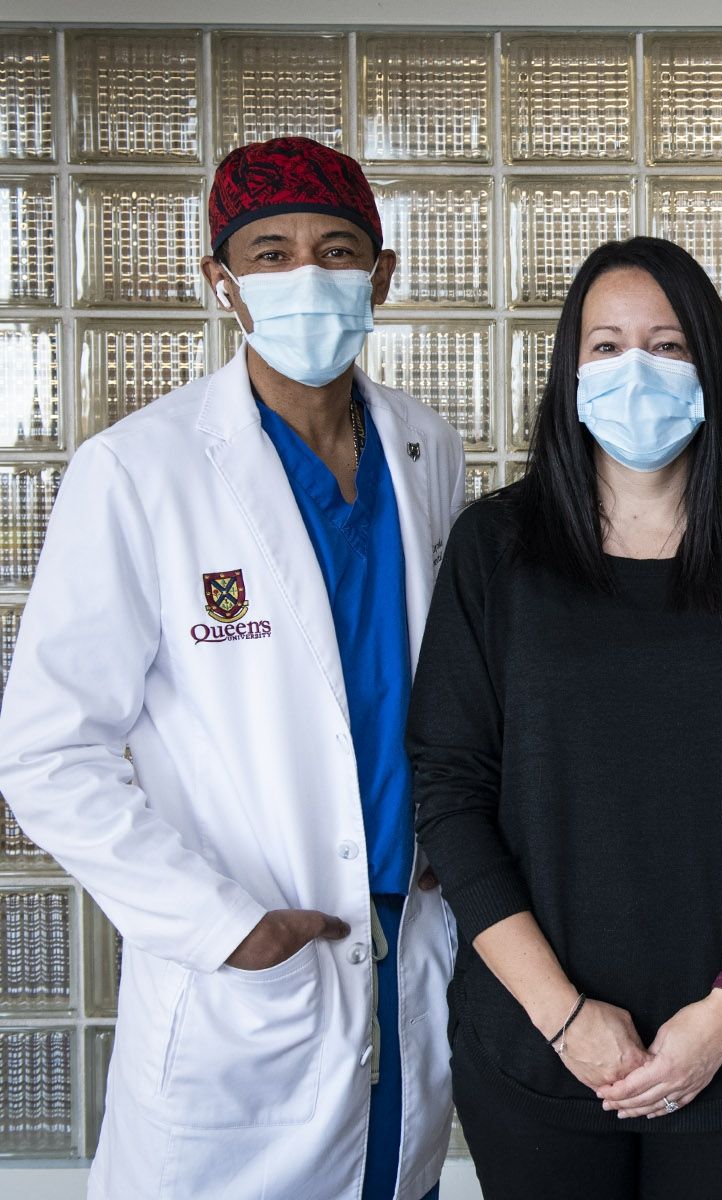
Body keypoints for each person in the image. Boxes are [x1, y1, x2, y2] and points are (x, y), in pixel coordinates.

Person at [0, 136, 463, 1199]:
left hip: (404, 938)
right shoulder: (136, 471)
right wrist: (222, 927)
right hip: (254, 968)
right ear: (223, 284)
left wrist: (448, 841)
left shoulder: (426, 449)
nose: (307, 274)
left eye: (337, 249)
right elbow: (46, 749)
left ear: (382, 276)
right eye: (270, 252)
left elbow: (433, 681)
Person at [407, 235, 722, 1200]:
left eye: (668, 345)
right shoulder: (497, 549)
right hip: (535, 1043)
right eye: (604, 347)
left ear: (714, 370)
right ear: (569, 374)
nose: (634, 370)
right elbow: (450, 792)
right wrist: (564, 1019)